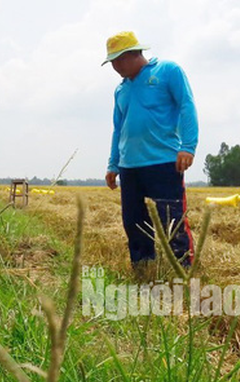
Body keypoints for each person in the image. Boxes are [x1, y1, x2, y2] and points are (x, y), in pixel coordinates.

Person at [102, 31, 198, 272]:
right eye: (111, 62)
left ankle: (183, 267)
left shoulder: (167, 71)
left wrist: (187, 146)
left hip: (163, 162)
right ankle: (143, 267)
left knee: (171, 220)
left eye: (117, 60)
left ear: (133, 54)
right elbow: (118, 129)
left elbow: (187, 105)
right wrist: (113, 164)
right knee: (134, 223)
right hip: (129, 167)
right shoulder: (120, 90)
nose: (114, 67)